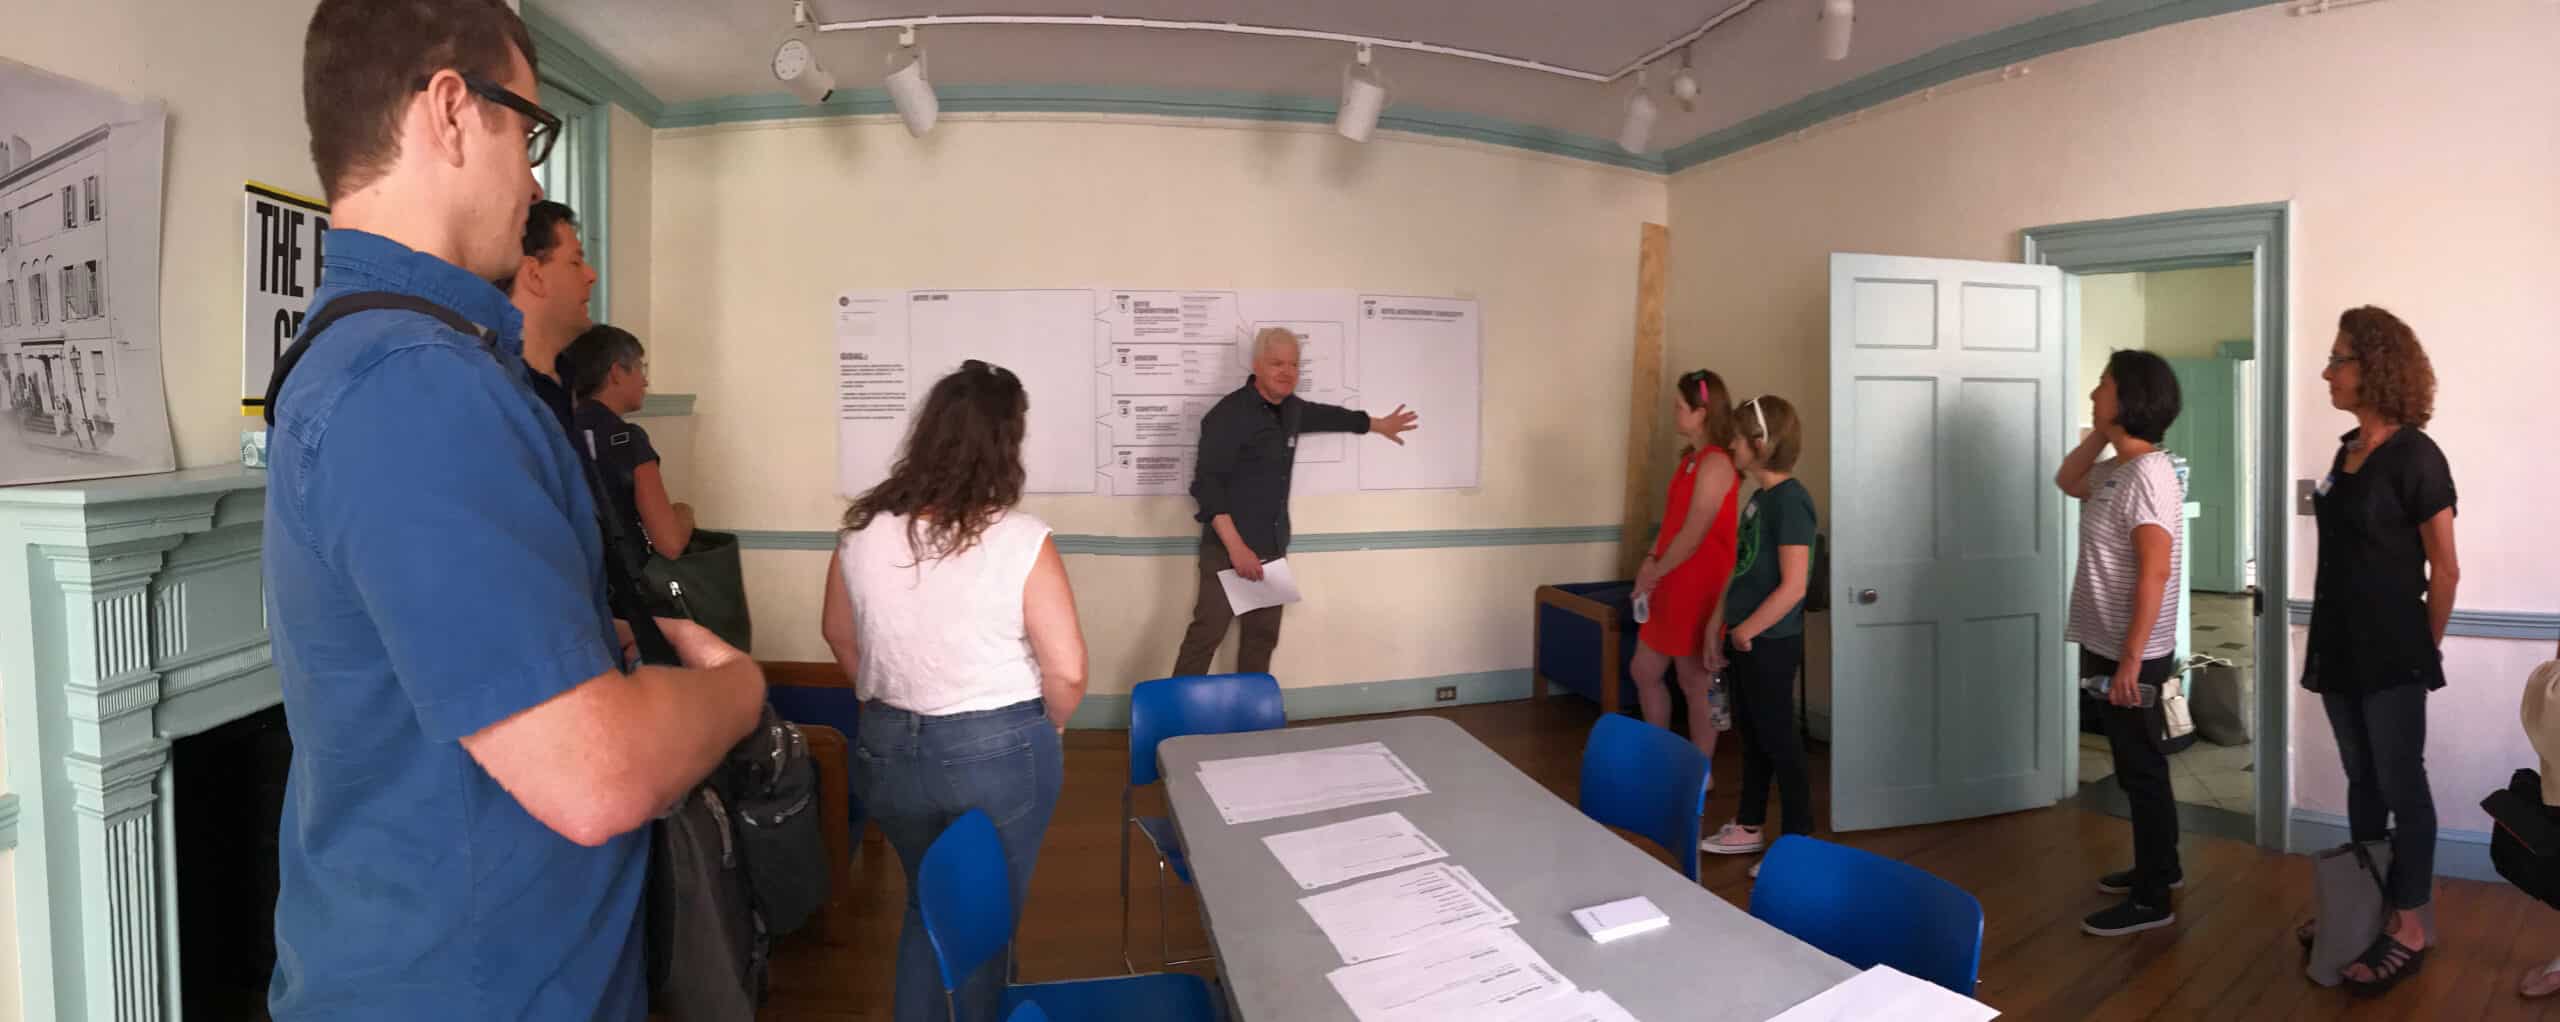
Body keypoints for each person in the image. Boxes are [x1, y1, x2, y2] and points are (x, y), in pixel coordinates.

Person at [268, 3, 766, 1018]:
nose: (536, 178)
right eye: (528, 131)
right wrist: (740, 689)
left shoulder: (382, 362)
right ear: (451, 110)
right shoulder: (415, 384)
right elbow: (597, 774)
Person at [821, 361, 1089, 1022]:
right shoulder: (1022, 540)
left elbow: (837, 633)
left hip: (887, 747)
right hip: (998, 750)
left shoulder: (861, 531)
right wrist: (1050, 726)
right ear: (1007, 442)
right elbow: (1069, 672)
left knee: (928, 907)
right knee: (984, 921)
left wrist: (892, 694)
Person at [2296, 305, 2457, 993]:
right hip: (2338, 647)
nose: (2328, 371)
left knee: (2402, 785)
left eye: (2340, 359)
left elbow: (2444, 568)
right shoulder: (2345, 451)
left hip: (2394, 653)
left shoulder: (2417, 456)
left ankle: (2412, 923)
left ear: (2376, 368)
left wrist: (2425, 651)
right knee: (2362, 782)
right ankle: (2367, 906)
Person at [1173, 327, 1419, 677]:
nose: (1286, 372)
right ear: (1257, 365)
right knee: (1206, 637)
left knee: (1261, 639)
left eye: (1293, 364)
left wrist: (1378, 424)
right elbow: (1206, 487)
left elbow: (1332, 417)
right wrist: (1237, 549)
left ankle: (1252, 724)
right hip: (1228, 550)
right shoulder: (1228, 415)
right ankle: (1177, 724)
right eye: (1276, 363)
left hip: (1271, 548)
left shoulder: (1290, 410)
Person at [2055, 350, 2186, 937]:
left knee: (2142, 769)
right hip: (2106, 641)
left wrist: (2133, 658)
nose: (2092, 392)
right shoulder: (2117, 470)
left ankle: (2153, 897)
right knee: (2135, 767)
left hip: (2134, 652)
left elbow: (2154, 571)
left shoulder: (2151, 474)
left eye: (2102, 386)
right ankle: (2161, 867)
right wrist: (2101, 436)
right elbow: (2067, 481)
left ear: (2130, 396)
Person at [1700, 395, 1818, 863]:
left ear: (1760, 443)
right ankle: (1750, 824)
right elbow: (1742, 568)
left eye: (1736, 436)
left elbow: (1793, 587)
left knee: (1779, 741)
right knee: (1753, 736)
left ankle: (1797, 842)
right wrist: (1719, 622)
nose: (1730, 443)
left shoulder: (1792, 502)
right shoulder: (1759, 499)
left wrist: (1747, 630)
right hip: (1744, 635)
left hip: (1769, 642)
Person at [1630, 369, 1742, 759]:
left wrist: (1656, 571)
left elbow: (1695, 532)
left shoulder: (1717, 464)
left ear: (1702, 412)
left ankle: (1699, 768)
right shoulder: (1690, 460)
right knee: (1644, 671)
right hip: (1670, 577)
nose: (1675, 414)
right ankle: (1659, 753)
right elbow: (1673, 522)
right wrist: (1649, 562)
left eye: (1680, 407)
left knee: (1694, 680)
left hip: (1699, 581)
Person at [559, 323, 694, 563]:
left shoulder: (558, 430)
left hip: (577, 576)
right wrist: (684, 513)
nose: (645, 382)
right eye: (640, 368)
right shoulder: (628, 440)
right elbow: (670, 543)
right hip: (624, 587)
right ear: (616, 373)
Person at [501, 198, 596, 434]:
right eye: (575, 262)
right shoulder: (499, 389)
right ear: (534, 276)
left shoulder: (568, 377)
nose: (591, 275)